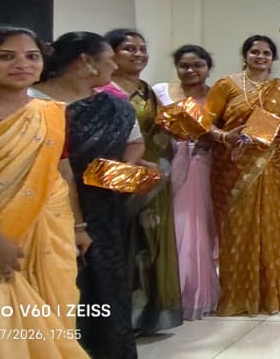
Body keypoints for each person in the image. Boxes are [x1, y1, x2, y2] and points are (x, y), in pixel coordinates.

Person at [0, 28, 91, 358]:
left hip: (49, 237)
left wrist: (78, 227)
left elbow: (62, 173)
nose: (21, 64)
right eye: (6, 56)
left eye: (32, 56)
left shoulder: (53, 113)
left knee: (53, 322)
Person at [33, 31, 145, 357]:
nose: (115, 65)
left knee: (105, 286)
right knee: (58, 289)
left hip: (104, 209)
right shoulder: (32, 102)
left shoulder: (114, 105)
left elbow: (135, 142)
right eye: (109, 59)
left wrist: (120, 170)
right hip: (45, 211)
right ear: (86, 62)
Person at [205, 35, 280, 316]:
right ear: (245, 55)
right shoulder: (226, 85)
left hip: (270, 168)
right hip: (233, 169)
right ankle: (237, 297)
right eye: (255, 52)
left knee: (272, 227)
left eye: (266, 53)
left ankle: (271, 295)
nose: (260, 57)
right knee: (236, 230)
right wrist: (224, 137)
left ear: (272, 58)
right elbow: (205, 122)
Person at [106, 28, 183, 334]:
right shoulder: (104, 90)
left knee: (153, 242)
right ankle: (123, 319)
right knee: (125, 244)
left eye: (142, 48)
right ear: (110, 54)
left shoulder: (146, 90)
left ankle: (151, 314)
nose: (138, 54)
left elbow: (163, 129)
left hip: (155, 177)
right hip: (121, 178)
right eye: (129, 48)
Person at [154, 44, 219, 319]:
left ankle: (195, 291)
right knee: (167, 227)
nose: (191, 70)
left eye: (198, 65)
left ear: (208, 68)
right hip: (165, 165)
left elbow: (222, 131)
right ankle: (167, 293)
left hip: (202, 165)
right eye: (185, 66)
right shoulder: (159, 92)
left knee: (196, 227)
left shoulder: (216, 96)